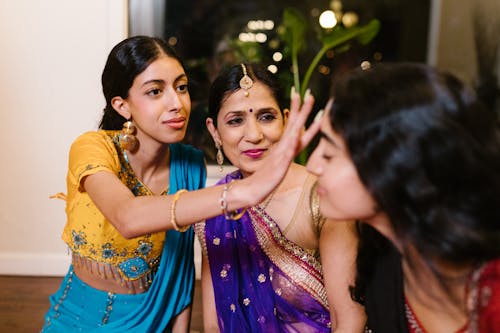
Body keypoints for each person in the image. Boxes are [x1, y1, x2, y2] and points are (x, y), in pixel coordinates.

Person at [41, 36, 319, 332]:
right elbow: (127, 216)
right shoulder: (92, 148)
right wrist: (245, 190)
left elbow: (179, 274)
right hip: (78, 318)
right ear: (123, 105)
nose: (177, 103)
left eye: (181, 87)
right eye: (155, 91)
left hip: (153, 321)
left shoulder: (188, 163)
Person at [306, 62, 500, 333]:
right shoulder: (383, 260)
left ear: (393, 164)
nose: (313, 165)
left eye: (329, 153)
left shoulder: (490, 280)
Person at [195, 63, 365, 332]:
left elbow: (349, 319)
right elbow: (214, 324)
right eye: (236, 120)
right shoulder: (214, 209)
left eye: (266, 117)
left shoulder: (321, 198)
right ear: (214, 131)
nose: (254, 135)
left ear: (287, 120)